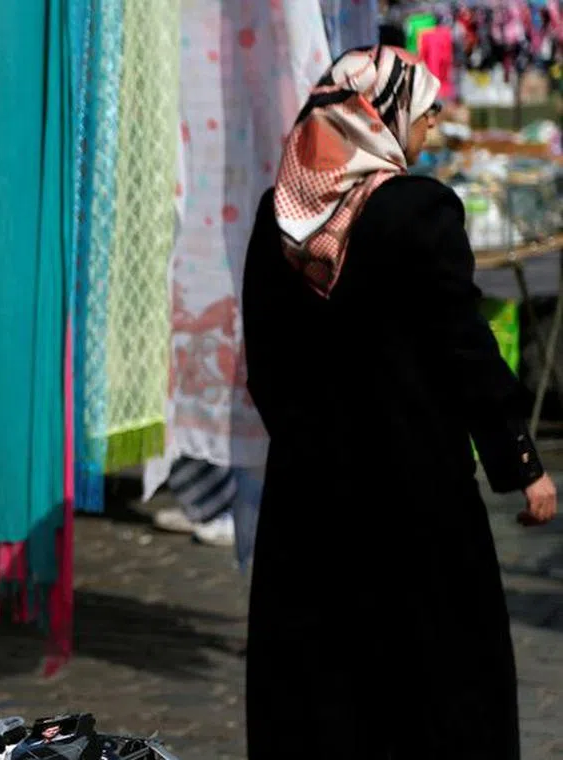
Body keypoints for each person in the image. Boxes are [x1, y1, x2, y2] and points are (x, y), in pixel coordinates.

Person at [242, 46, 557, 758]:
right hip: (417, 504)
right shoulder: (418, 211)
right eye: (425, 109)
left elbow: (263, 365)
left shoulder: (278, 219)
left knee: (324, 696)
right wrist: (521, 462)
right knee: (435, 691)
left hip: (309, 507)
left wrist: (309, 444)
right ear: (376, 116)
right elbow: (464, 350)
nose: (436, 123)